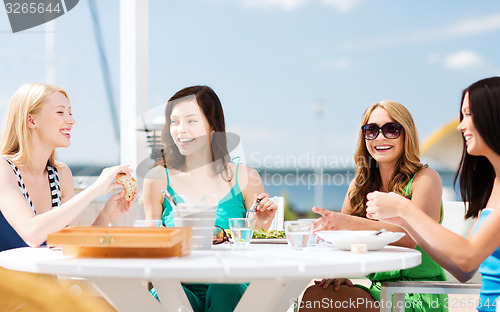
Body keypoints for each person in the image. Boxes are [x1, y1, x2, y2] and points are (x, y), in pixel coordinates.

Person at [366, 77, 500, 312]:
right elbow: (464, 271)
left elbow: (468, 258)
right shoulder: (494, 185)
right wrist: (405, 221)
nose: (461, 126)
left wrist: (404, 209)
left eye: (469, 114)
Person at [299, 100, 447, 312]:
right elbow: (340, 239)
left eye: (391, 129)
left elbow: (413, 239)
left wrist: (350, 223)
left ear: (407, 134)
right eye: (371, 130)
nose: (380, 137)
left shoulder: (425, 179)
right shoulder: (359, 186)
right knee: (316, 296)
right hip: (380, 291)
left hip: (419, 293)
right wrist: (339, 272)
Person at [142, 85, 277, 312]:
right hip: (177, 288)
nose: (180, 130)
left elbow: (256, 250)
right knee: (164, 295)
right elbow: (150, 242)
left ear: (212, 126)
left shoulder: (245, 177)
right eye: (174, 122)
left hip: (232, 289)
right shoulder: (157, 179)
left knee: (224, 288)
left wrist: (261, 226)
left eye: (191, 121)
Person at [0, 83, 136, 252]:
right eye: (60, 112)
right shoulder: (3, 169)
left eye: (70, 112)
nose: (71, 120)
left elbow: (72, 248)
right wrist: (95, 189)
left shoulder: (61, 175)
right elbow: (32, 233)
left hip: (47, 278)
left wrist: (106, 215)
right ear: (31, 120)